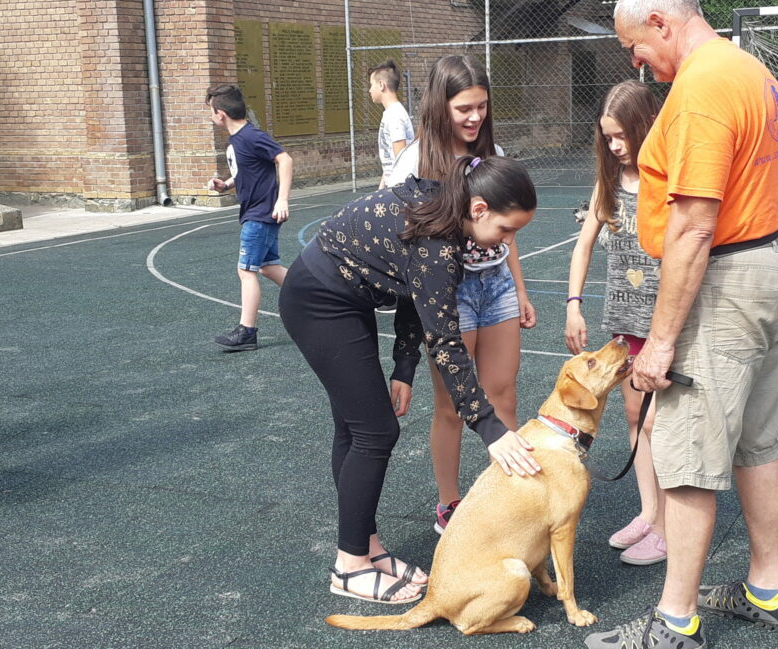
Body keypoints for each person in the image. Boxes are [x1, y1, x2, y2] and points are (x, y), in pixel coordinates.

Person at [584, 2, 778, 647]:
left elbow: (693, 225)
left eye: (634, 45)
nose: (634, 61)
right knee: (757, 443)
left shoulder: (703, 86)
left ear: (660, 21)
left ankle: (674, 623)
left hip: (727, 281)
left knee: (685, 458)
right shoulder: (747, 68)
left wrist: (660, 341)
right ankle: (769, 590)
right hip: (772, 264)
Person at [278, 156, 542, 605]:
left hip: (344, 297)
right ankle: (349, 566)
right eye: (506, 230)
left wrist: (403, 369)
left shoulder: (444, 212)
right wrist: (490, 427)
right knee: (375, 431)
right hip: (319, 300)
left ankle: (367, 547)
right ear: (479, 209)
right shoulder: (441, 243)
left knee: (355, 427)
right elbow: (445, 342)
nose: (507, 242)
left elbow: (411, 292)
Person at [387, 55, 537, 535]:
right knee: (452, 404)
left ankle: (509, 497)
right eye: (464, 108)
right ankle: (450, 504)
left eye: (482, 107)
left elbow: (508, 229)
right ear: (439, 106)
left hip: (495, 286)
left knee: (503, 395)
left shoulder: (489, 152)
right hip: (446, 294)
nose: (475, 118)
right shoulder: (413, 162)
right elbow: (402, 242)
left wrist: (519, 287)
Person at [565, 80, 666, 566]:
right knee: (633, 418)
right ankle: (650, 512)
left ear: (646, 126)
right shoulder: (608, 182)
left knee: (658, 423)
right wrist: (573, 303)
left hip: (663, 324)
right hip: (624, 322)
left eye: (623, 135)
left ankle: (668, 527)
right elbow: (584, 245)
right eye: (608, 137)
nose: (615, 146)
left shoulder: (663, 180)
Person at [206, 83, 294, 352]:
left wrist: (282, 199)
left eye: (211, 111)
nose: (210, 116)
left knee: (246, 271)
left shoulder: (251, 136)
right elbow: (250, 169)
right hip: (255, 212)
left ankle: (247, 331)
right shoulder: (238, 140)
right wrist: (227, 184)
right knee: (268, 267)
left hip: (260, 214)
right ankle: (315, 296)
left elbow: (285, 159)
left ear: (221, 114)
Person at [368, 60, 415, 189]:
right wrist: (380, 190)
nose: (370, 90)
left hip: (399, 189)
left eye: (372, 85)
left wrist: (394, 191)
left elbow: (400, 158)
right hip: (392, 186)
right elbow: (390, 160)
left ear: (381, 85)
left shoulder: (395, 116)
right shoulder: (390, 114)